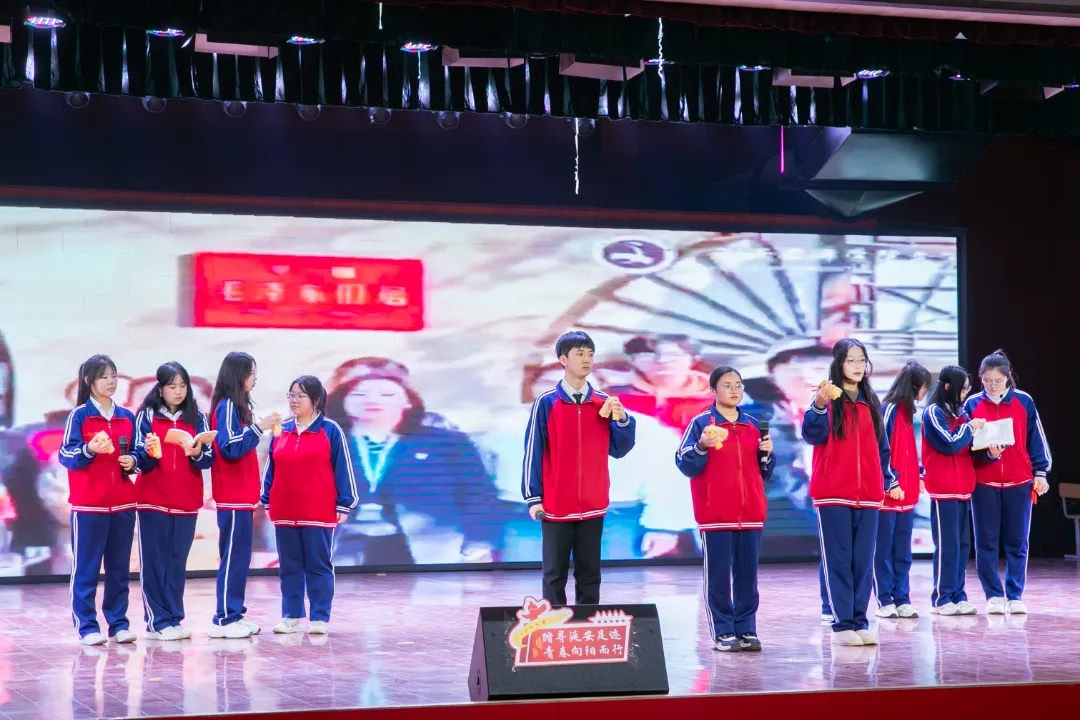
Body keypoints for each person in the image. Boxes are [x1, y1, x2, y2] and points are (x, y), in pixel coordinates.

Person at [522, 331, 637, 606]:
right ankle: (555, 626)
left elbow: (619, 449)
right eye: (579, 354)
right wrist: (533, 497)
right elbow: (533, 452)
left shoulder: (603, 403)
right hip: (556, 504)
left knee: (590, 575)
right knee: (554, 575)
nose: (587, 360)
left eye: (590, 354)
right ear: (563, 359)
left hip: (593, 503)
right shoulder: (547, 403)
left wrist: (623, 420)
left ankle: (588, 625)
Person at [802, 338, 894, 647]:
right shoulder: (827, 398)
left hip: (868, 493)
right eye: (851, 360)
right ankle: (842, 624)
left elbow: (882, 448)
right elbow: (812, 435)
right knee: (838, 560)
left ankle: (859, 621)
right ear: (838, 363)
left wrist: (885, 481)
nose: (857, 366)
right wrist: (818, 406)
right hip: (833, 493)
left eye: (861, 360)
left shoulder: (871, 400)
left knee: (863, 562)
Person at [675, 366, 775, 652]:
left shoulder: (753, 425)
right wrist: (702, 446)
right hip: (715, 514)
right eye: (727, 385)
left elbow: (765, 472)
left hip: (751, 513)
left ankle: (747, 629)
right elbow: (684, 463)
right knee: (718, 577)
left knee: (747, 578)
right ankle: (723, 631)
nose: (734, 390)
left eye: (738, 385)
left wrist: (767, 455)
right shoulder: (701, 424)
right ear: (712, 390)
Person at [261, 376, 357, 635]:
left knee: (318, 564)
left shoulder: (330, 430)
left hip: (318, 511)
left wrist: (344, 503)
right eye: (291, 395)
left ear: (315, 400)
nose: (294, 401)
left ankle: (319, 617)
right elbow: (271, 468)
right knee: (289, 566)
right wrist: (266, 499)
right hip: (284, 511)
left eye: (300, 396)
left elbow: (342, 468)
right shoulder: (282, 430)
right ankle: (291, 617)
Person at [58, 355, 139, 646]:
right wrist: (89, 449)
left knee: (119, 569)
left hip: (124, 505)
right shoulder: (80, 416)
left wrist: (134, 460)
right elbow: (66, 455)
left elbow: (138, 453)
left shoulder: (127, 417)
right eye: (104, 377)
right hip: (89, 506)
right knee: (86, 568)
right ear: (89, 381)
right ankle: (87, 626)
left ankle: (118, 624)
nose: (111, 382)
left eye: (113, 376)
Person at [964, 350, 1052, 615]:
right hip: (984, 484)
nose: (992, 386)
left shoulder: (1024, 401)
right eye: (987, 381)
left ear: (1008, 377)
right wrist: (987, 455)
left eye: (998, 381)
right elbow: (965, 446)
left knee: (1018, 542)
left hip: (1019, 482)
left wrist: (1040, 472)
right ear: (980, 378)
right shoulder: (971, 404)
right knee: (986, 543)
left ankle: (1015, 595)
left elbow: (1036, 439)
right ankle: (993, 595)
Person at [132, 362, 215, 640]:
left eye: (182, 386)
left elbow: (207, 459)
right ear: (161, 389)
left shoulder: (197, 416)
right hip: (152, 499)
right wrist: (148, 452)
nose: (178, 391)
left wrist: (195, 452)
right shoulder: (147, 415)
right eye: (172, 386)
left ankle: (174, 618)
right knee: (154, 562)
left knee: (177, 562)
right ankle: (157, 621)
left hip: (187, 500)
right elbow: (138, 456)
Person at [209, 352, 279, 639]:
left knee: (240, 558)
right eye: (251, 373)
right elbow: (229, 446)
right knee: (233, 558)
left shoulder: (237, 408)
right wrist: (258, 428)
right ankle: (224, 618)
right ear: (238, 375)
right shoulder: (227, 406)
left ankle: (235, 613)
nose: (255, 378)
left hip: (242, 497)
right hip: (232, 496)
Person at [922, 365, 988, 617]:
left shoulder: (961, 414)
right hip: (944, 489)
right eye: (962, 390)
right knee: (947, 545)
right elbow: (950, 443)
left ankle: (958, 595)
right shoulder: (933, 412)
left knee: (962, 545)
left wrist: (989, 448)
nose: (964, 395)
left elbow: (969, 447)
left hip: (963, 488)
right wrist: (970, 428)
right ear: (947, 387)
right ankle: (942, 597)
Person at [874, 360, 931, 619]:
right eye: (924, 387)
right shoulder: (888, 410)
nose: (925, 393)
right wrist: (891, 482)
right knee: (883, 551)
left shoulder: (909, 414)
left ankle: (902, 598)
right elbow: (881, 449)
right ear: (915, 386)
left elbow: (907, 453)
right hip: (888, 496)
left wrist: (917, 474)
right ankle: (884, 600)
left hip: (907, 496)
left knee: (903, 552)